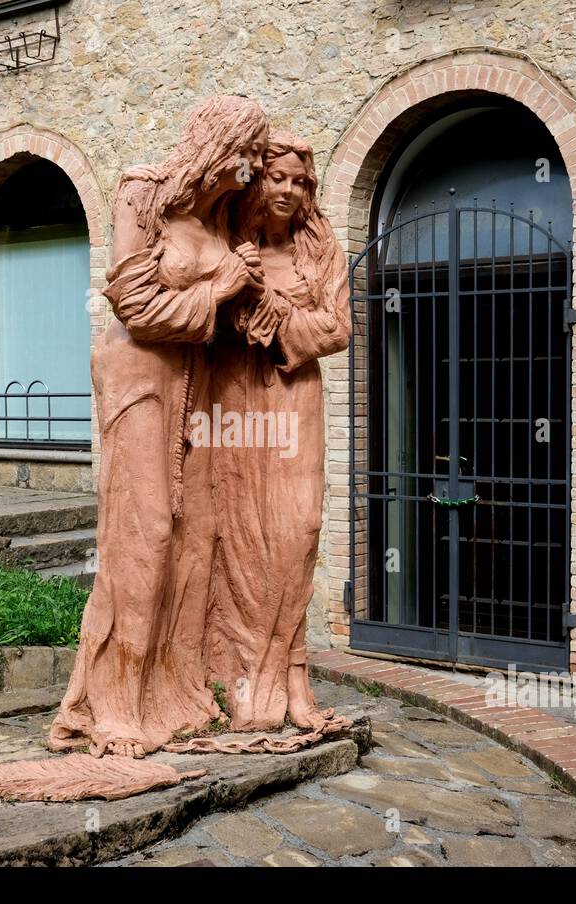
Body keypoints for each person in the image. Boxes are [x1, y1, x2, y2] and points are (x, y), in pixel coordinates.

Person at [48, 96, 268, 759]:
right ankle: (112, 704)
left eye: (259, 155)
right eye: (246, 152)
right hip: (138, 374)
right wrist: (223, 285)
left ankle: (174, 690)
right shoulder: (142, 193)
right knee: (141, 534)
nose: (253, 167)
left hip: (195, 383)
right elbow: (136, 303)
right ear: (214, 144)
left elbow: (230, 312)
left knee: (196, 532)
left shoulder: (222, 219)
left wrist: (251, 299)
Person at [205, 131, 352, 732]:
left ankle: (292, 671)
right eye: (279, 178)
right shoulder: (227, 246)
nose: (290, 190)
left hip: (295, 398)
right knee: (243, 537)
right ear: (256, 181)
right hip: (236, 400)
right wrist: (232, 303)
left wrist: (282, 319)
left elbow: (339, 328)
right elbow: (195, 317)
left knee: (299, 530)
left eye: (301, 181)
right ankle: (248, 682)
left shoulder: (318, 252)